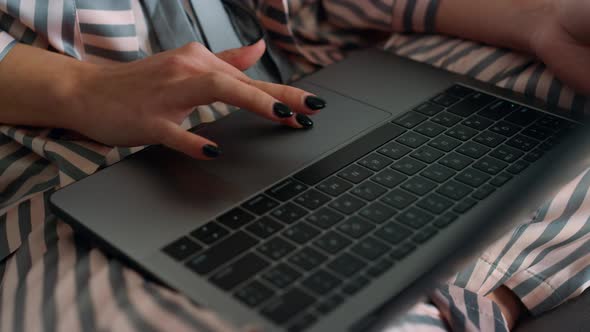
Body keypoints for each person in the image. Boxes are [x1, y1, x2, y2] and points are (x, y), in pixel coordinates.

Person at [0, 0, 588, 331]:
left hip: (317, 80)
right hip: (94, 164)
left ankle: (430, 291)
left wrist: (541, 20)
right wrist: (80, 88)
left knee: (554, 104)